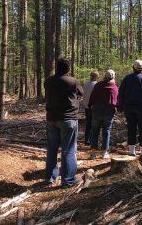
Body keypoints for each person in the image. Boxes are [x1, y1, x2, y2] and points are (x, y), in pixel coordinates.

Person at [44, 58, 83, 187]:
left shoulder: (48, 81)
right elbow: (81, 93)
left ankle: (50, 178)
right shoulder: (73, 81)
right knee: (69, 150)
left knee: (52, 149)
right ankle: (68, 180)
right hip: (68, 119)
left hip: (51, 119)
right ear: (68, 69)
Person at [118, 60, 142, 162]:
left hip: (129, 107)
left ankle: (132, 152)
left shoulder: (127, 78)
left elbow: (121, 93)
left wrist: (120, 105)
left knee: (131, 127)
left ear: (133, 68)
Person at [88, 70, 118, 160]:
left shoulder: (98, 85)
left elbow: (92, 97)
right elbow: (117, 100)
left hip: (97, 111)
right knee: (106, 131)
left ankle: (93, 154)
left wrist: (90, 105)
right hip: (109, 112)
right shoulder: (115, 87)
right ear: (113, 77)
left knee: (95, 131)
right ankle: (104, 153)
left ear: (104, 76)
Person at [82, 70, 99, 145]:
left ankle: (87, 140)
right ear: (97, 76)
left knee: (88, 123)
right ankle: (92, 140)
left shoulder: (85, 83)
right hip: (94, 107)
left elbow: (83, 94)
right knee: (94, 124)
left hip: (86, 106)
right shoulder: (97, 85)